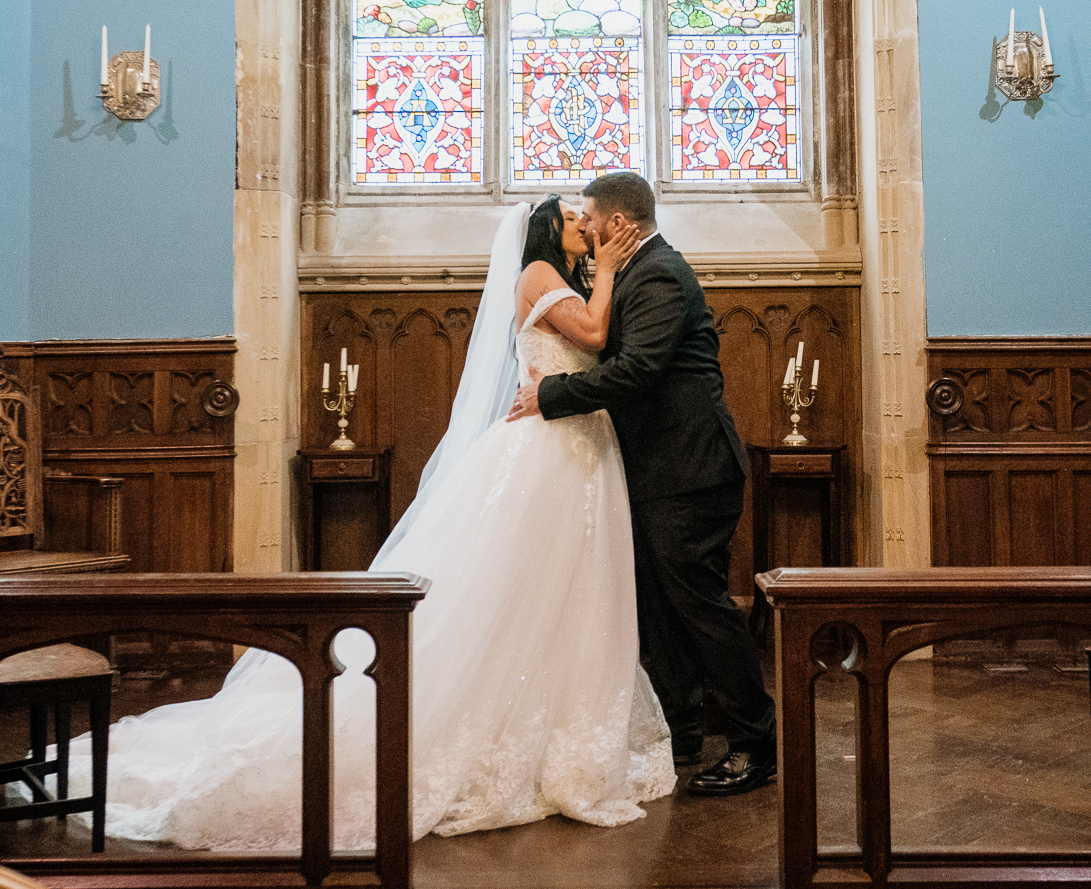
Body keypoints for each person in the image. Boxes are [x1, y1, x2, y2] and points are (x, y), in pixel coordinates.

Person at [77, 199, 671, 849]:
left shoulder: (572, 277)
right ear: (547, 231)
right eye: (571, 215)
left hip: (578, 447)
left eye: (587, 214)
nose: (584, 223)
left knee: (566, 596)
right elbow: (588, 335)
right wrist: (611, 269)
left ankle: (559, 728)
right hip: (545, 454)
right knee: (510, 590)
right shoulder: (536, 272)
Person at [508, 171, 779, 797]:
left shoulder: (657, 273)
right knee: (660, 608)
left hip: (690, 470)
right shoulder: (624, 273)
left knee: (700, 607)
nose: (585, 226)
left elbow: (637, 370)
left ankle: (754, 742)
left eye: (590, 217)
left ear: (619, 224)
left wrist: (551, 392)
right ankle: (683, 730)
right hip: (657, 467)